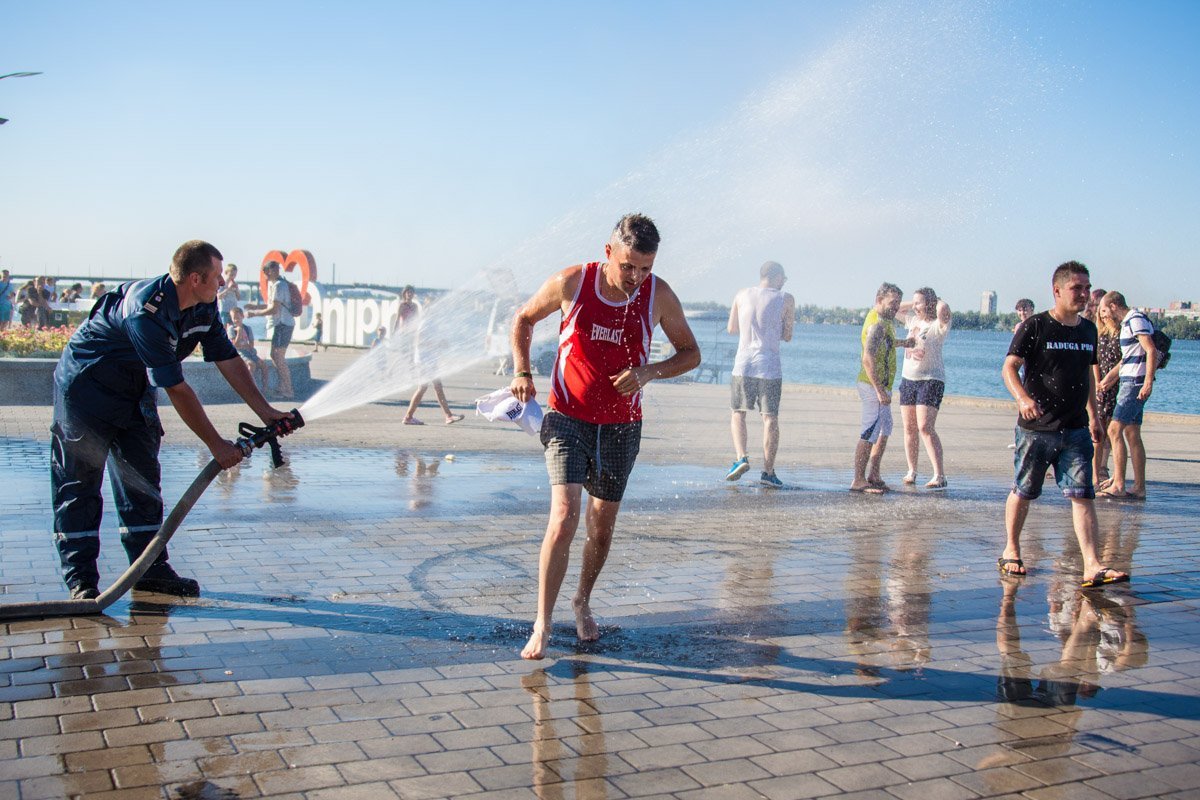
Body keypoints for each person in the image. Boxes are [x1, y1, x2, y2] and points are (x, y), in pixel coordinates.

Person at [51, 240, 294, 600]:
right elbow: (177, 389)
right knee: (80, 485)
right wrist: (216, 445)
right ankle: (81, 581)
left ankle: (150, 570)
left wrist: (266, 411)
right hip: (87, 390)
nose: (222, 285)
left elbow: (227, 358)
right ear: (195, 278)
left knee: (142, 480)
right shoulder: (145, 312)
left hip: (133, 391)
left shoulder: (203, 305)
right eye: (217, 277)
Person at [509, 213, 700, 660]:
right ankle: (542, 622)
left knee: (602, 525)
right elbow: (522, 319)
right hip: (567, 418)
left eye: (645, 269)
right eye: (628, 266)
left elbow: (691, 353)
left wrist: (649, 372)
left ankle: (582, 601)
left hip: (621, 426)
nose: (636, 278)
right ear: (609, 251)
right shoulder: (573, 282)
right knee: (564, 516)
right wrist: (521, 370)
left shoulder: (659, 296)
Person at [998, 260, 1128, 588]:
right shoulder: (1037, 326)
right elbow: (1010, 368)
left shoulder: (1088, 330)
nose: (1084, 294)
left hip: (1075, 429)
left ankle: (1092, 564)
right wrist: (1023, 399)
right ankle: (1012, 548)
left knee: (1084, 495)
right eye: (1077, 288)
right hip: (1036, 428)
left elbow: (1086, 373)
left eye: (1087, 288)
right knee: (1025, 491)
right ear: (1057, 290)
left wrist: (1095, 416)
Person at [724, 260, 794, 487]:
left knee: (738, 413)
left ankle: (740, 457)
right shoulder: (786, 298)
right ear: (776, 276)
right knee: (770, 418)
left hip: (743, 364)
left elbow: (732, 328)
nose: (784, 282)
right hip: (769, 366)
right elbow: (788, 335)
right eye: (783, 278)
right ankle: (768, 472)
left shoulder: (741, 294)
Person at [1096, 291, 1158, 500]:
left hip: (1134, 383)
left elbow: (1150, 350)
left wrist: (1148, 381)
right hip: (1129, 380)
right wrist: (1110, 379)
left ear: (1114, 306)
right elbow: (1128, 358)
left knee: (1114, 430)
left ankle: (1119, 484)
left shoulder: (1135, 319)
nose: (1103, 315)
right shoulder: (1129, 323)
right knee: (1132, 434)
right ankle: (1139, 487)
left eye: (1105, 309)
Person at [850, 283, 912, 493]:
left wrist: (904, 343)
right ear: (879, 300)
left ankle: (873, 474)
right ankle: (858, 479)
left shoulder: (884, 321)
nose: (896, 308)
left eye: (898, 303)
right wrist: (878, 390)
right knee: (870, 431)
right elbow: (868, 358)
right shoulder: (876, 324)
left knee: (885, 427)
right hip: (871, 385)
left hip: (881, 386)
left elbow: (886, 343)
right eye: (892, 303)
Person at [898, 287, 951, 489]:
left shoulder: (938, 325)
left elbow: (944, 308)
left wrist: (932, 300)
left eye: (920, 302)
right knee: (909, 428)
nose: (915, 306)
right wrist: (914, 304)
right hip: (908, 379)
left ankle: (939, 475)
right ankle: (912, 470)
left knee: (924, 427)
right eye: (914, 302)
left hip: (931, 379)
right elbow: (894, 309)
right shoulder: (912, 321)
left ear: (930, 303)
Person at [245, 260, 295, 399]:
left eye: (275, 269)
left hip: (283, 324)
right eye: (273, 269)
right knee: (275, 355)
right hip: (281, 324)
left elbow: (274, 309)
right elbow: (271, 305)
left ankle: (288, 389)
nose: (275, 272)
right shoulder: (273, 284)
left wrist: (254, 314)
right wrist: (255, 307)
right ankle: (282, 387)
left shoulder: (279, 285)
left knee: (278, 357)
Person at [1092, 292, 1120, 485]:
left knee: (1110, 428)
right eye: (1100, 313)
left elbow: (1124, 360)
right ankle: (1095, 471)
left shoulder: (1122, 333)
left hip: (1115, 384)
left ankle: (1103, 467)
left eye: (1105, 312)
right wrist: (1097, 382)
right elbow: (1094, 360)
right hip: (1099, 385)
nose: (1103, 316)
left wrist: (1109, 380)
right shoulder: (1098, 333)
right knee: (1097, 428)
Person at [227, 306, 269, 389]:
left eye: (238, 317)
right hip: (239, 352)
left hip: (249, 352)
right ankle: (248, 388)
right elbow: (234, 346)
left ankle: (265, 388)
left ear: (242, 316)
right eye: (233, 318)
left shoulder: (248, 328)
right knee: (251, 365)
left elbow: (251, 344)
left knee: (264, 365)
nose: (236, 320)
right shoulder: (231, 329)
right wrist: (239, 332)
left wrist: (244, 346)